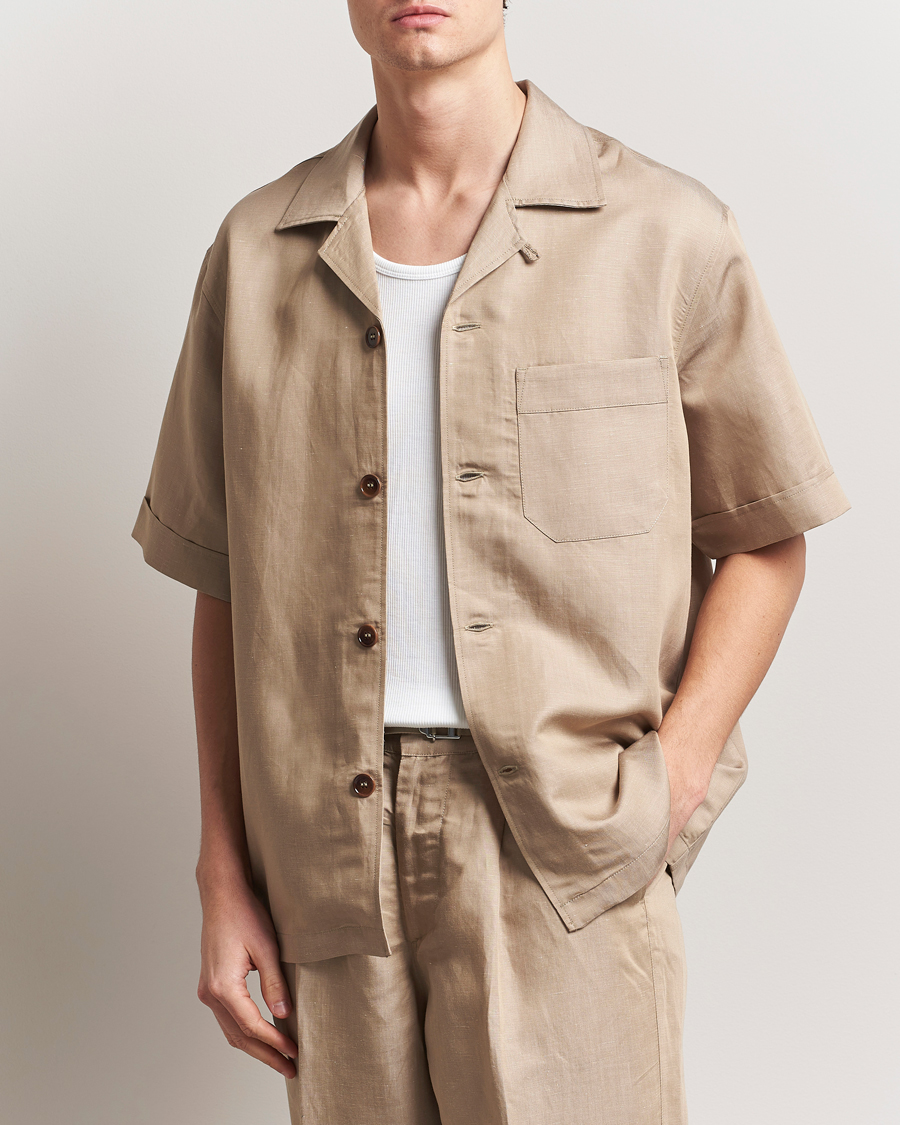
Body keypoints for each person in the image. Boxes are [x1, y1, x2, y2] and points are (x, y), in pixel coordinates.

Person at [132, 1, 850, 1121]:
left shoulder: (665, 232)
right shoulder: (256, 250)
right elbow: (225, 577)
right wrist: (220, 869)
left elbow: (765, 532)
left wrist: (674, 776)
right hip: (325, 854)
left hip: (562, 847)